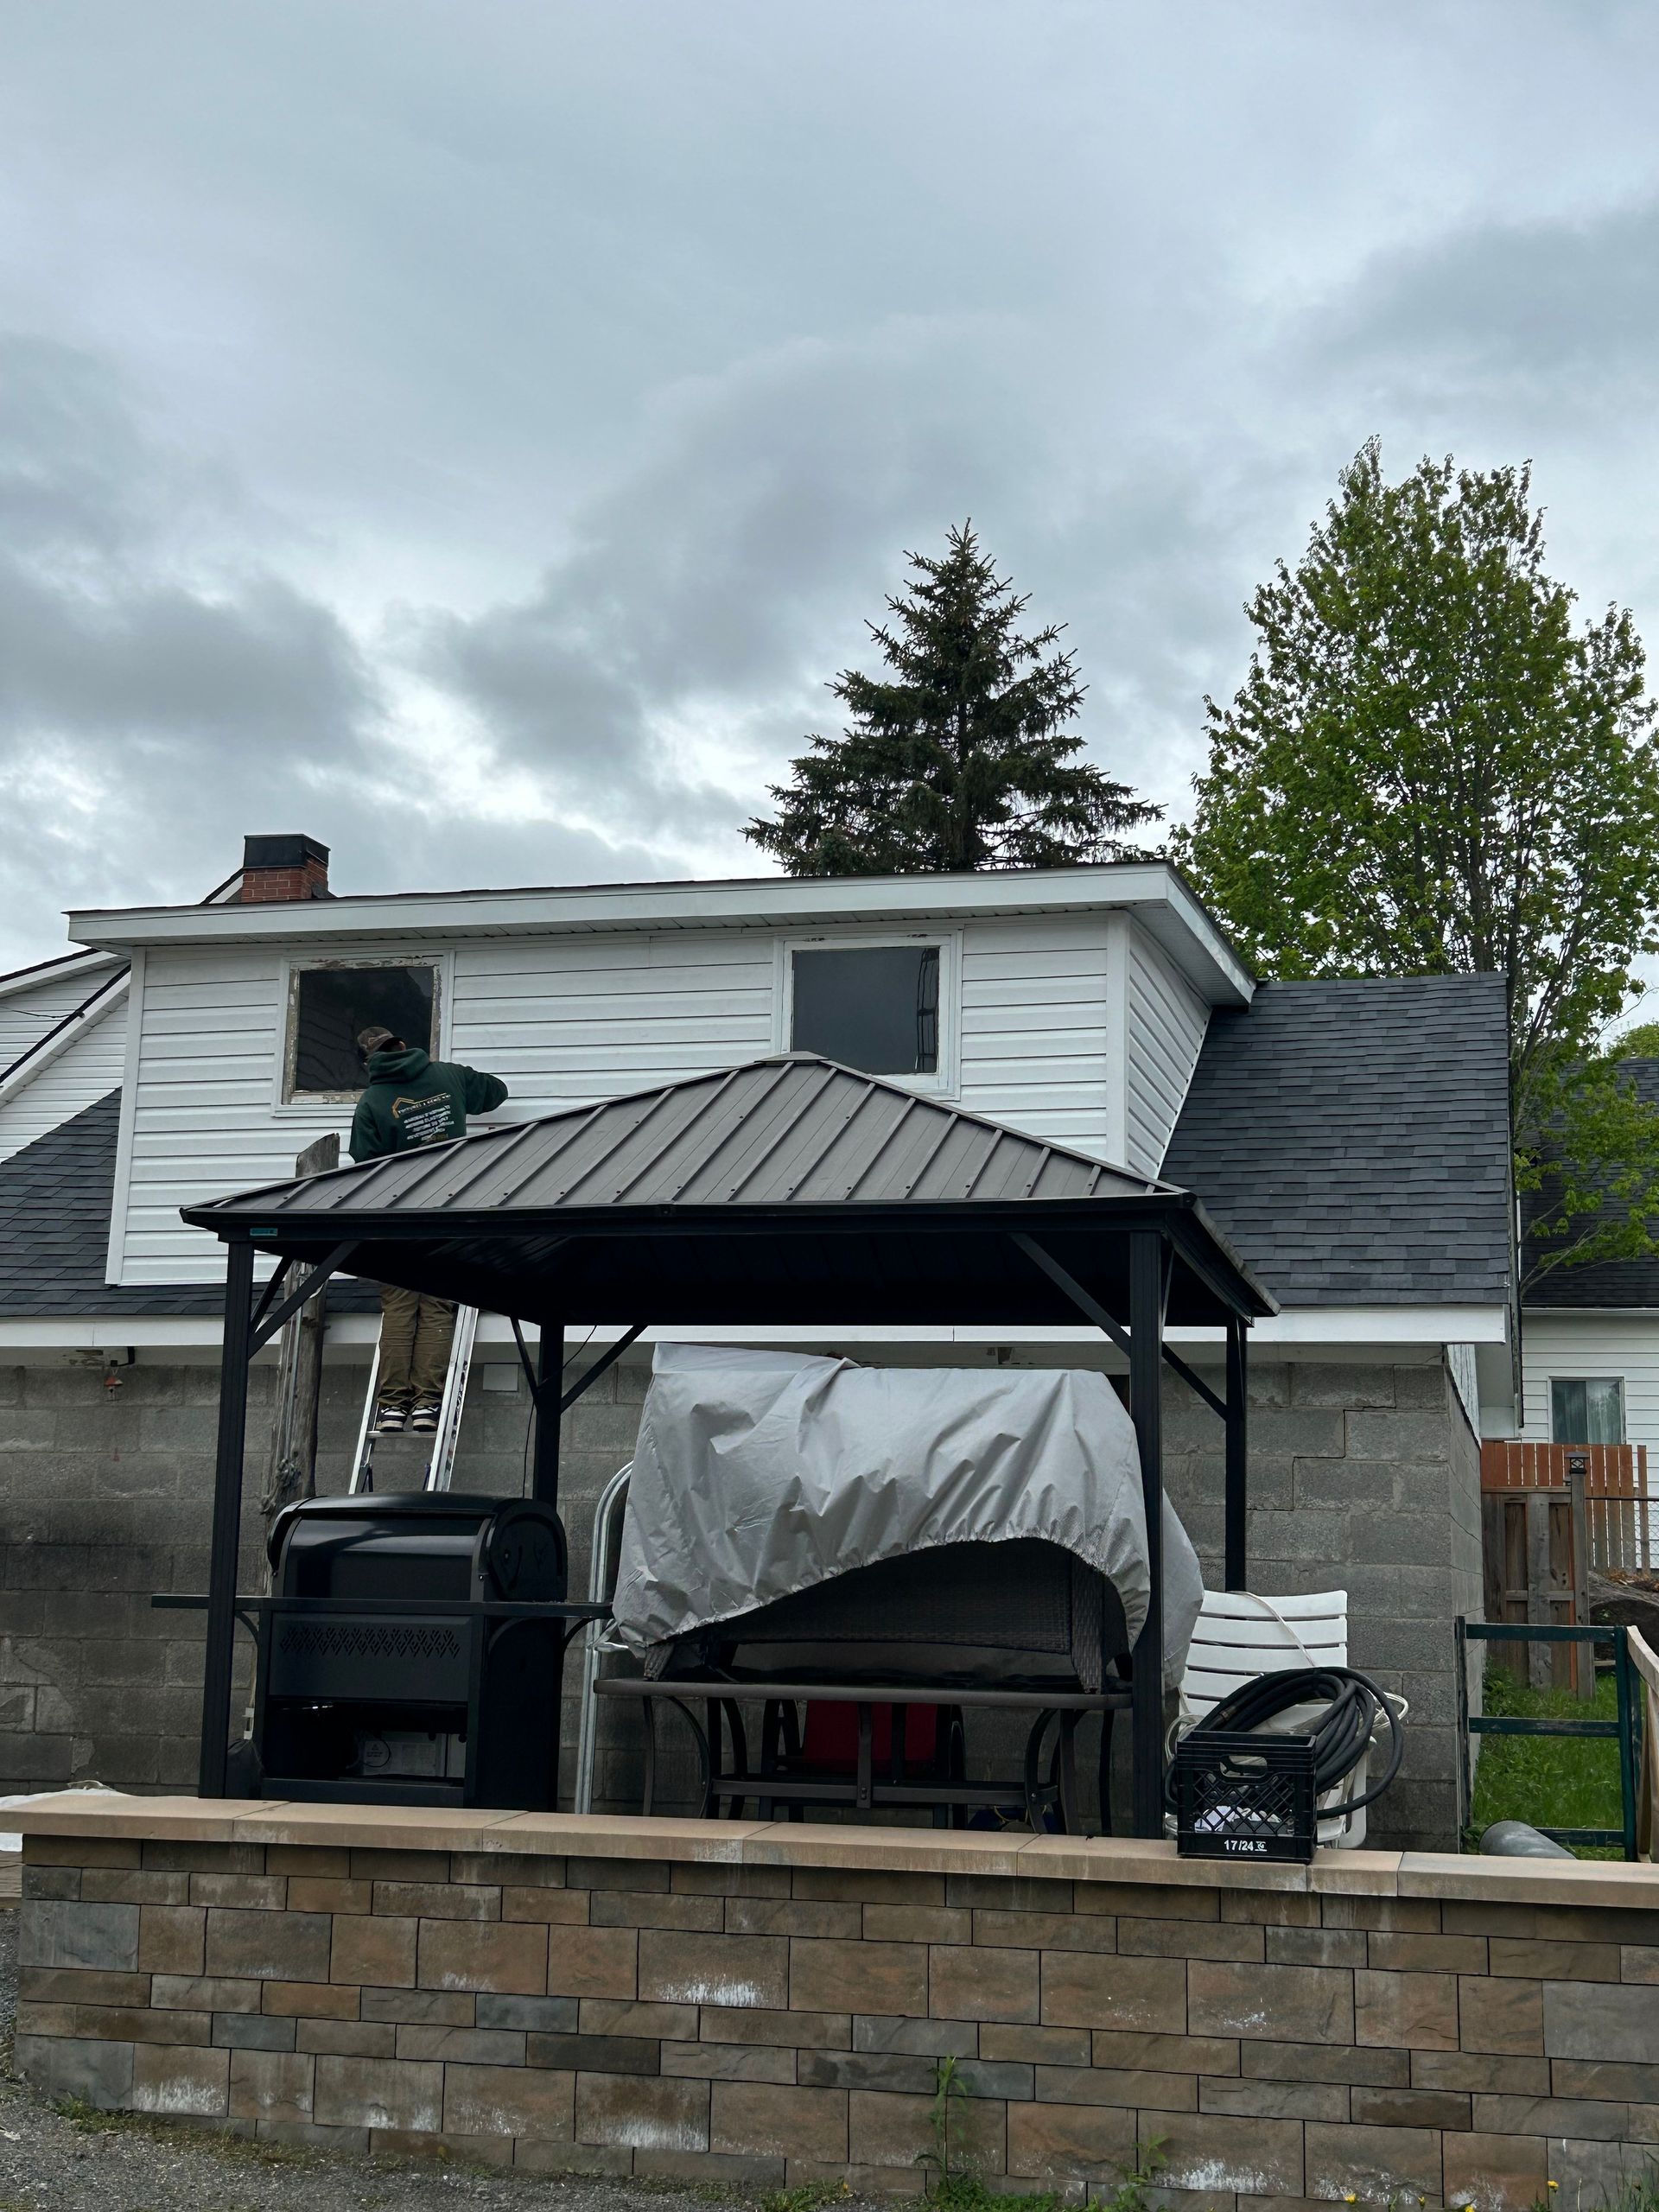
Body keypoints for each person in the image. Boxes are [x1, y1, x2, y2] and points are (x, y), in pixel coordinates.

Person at [349, 1025, 509, 1433]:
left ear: (371, 1061)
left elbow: (365, 1164)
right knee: (438, 1302)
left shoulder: (371, 1101)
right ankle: (427, 1405)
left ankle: (391, 1408)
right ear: (403, 1045)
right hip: (447, 1209)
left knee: (400, 1309)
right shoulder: (447, 1075)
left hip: (394, 1218)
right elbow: (496, 1092)